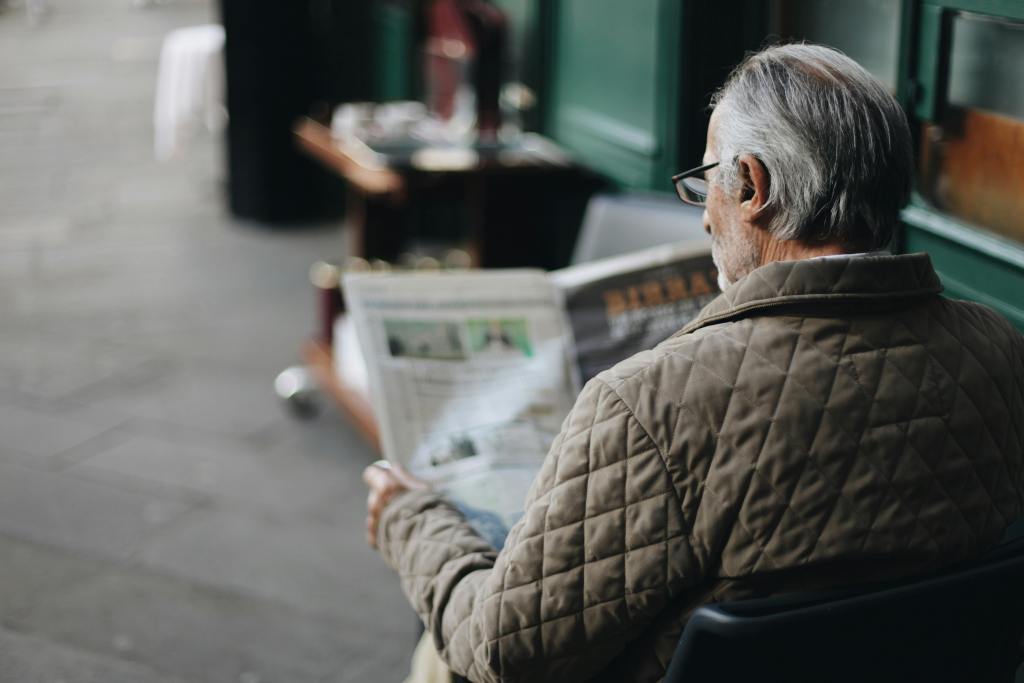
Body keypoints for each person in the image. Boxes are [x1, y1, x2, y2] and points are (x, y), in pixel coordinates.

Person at [362, 43, 1024, 683]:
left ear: (752, 184)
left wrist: (408, 518)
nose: (705, 218)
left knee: (446, 638)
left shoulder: (652, 405)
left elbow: (504, 651)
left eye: (708, 177)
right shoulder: (1002, 351)